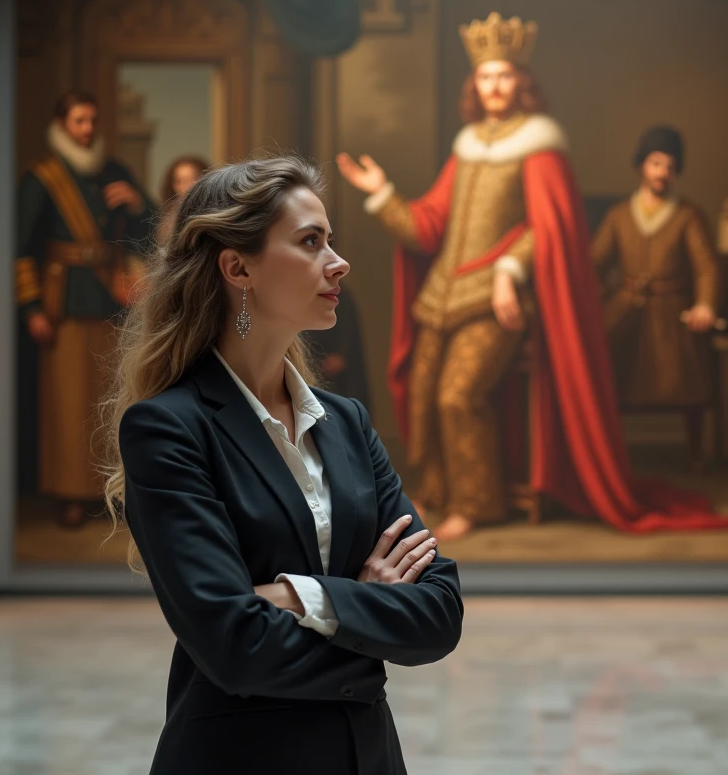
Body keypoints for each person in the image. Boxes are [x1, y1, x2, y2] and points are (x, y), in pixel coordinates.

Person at [98, 157, 463, 773]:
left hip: (366, 758)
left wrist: (299, 598)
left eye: (331, 240)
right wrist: (365, 607)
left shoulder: (346, 423)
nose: (338, 261)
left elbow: (439, 612)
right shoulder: (169, 428)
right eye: (311, 242)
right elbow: (233, 645)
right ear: (238, 268)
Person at [338, 12, 728, 541]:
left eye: (504, 76)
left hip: (500, 300)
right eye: (485, 77)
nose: (494, 86)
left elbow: (549, 229)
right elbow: (429, 226)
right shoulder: (468, 144)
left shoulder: (540, 144)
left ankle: (478, 505)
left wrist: (508, 269)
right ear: (474, 85)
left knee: (459, 396)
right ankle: (439, 493)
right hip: (442, 296)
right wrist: (382, 193)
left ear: (522, 82)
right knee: (423, 389)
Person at [14, 90, 154, 528]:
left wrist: (135, 204)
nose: (88, 129)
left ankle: (108, 491)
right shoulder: (43, 177)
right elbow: (20, 249)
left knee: (110, 401)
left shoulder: (113, 171)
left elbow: (148, 227)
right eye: (79, 121)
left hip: (114, 300)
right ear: (62, 125)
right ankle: (71, 494)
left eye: (92, 120)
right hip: (65, 304)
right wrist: (31, 307)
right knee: (67, 404)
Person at [591, 126, 720, 417]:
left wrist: (705, 304)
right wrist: (596, 298)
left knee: (686, 384)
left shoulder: (688, 214)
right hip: (625, 307)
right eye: (656, 164)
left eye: (669, 166)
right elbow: (594, 263)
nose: (662, 172)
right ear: (641, 166)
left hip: (671, 310)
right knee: (608, 378)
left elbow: (706, 266)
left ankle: (695, 455)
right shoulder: (619, 215)